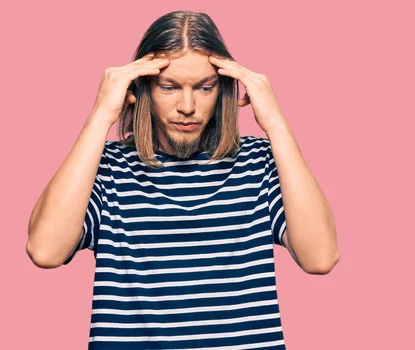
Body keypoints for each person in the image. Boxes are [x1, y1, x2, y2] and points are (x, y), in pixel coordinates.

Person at [26, 10, 339, 349]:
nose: (187, 106)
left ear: (222, 91)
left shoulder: (259, 164)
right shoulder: (106, 169)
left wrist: (276, 122)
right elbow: (45, 251)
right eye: (169, 87)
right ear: (143, 87)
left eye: (205, 87)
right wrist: (101, 114)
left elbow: (320, 257)